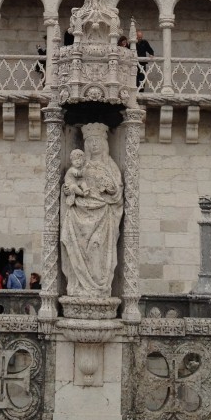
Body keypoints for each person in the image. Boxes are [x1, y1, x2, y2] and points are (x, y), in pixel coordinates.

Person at [60, 122, 124, 298]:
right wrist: (68, 191)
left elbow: (117, 193)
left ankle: (99, 288)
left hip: (103, 215)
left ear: (104, 144)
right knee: (77, 248)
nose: (94, 144)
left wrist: (109, 188)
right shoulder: (79, 166)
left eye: (98, 141)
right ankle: (78, 286)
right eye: (91, 141)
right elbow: (69, 184)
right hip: (79, 214)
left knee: (96, 248)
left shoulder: (110, 166)